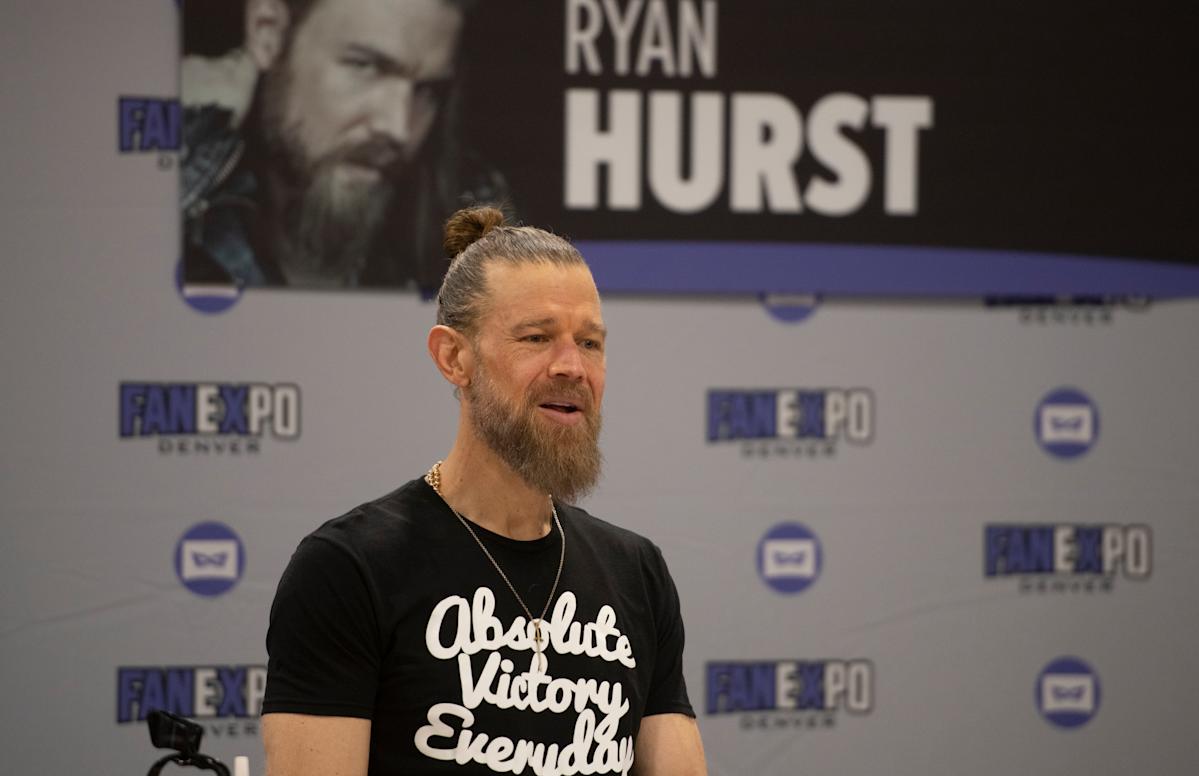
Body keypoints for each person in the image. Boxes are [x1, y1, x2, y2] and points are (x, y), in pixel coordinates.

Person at [261, 206, 708, 774]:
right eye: (536, 337)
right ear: (454, 357)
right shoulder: (350, 568)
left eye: (590, 343)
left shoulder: (636, 572)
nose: (572, 366)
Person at [181, 0, 507, 290]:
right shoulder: (169, 189)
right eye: (365, 66)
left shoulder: (470, 222)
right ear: (268, 32)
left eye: (427, 90)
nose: (399, 128)